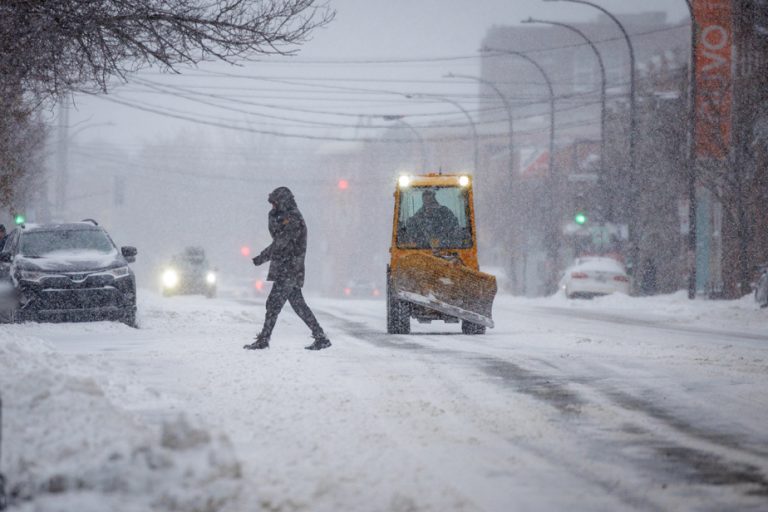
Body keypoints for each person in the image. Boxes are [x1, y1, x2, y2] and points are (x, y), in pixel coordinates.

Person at [244, 187, 331, 351]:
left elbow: (281, 242)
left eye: (275, 204)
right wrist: (274, 216)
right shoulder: (285, 216)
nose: (273, 207)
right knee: (298, 305)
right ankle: (320, 337)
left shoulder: (293, 219)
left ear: (283, 202)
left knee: (273, 303)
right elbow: (279, 238)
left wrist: (262, 257)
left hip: (289, 269)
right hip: (287, 268)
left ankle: (264, 339)